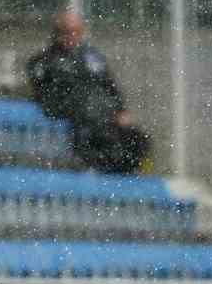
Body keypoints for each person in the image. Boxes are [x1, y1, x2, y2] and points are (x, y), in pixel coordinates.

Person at [27, 10, 152, 176]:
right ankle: (97, 166)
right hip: (74, 111)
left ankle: (132, 172)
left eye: (76, 32)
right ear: (57, 33)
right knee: (95, 128)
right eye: (66, 31)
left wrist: (121, 110)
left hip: (100, 112)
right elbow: (42, 91)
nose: (71, 36)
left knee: (137, 137)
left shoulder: (90, 57)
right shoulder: (46, 60)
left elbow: (109, 84)